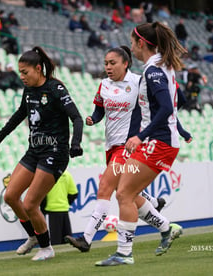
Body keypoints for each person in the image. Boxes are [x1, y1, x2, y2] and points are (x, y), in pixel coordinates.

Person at [64, 46, 190, 255]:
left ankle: (86, 238)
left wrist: (182, 129)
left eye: (112, 63)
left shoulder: (140, 80)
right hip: (111, 146)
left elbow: (173, 101)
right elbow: (99, 110)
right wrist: (93, 119)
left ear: (126, 63)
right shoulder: (103, 84)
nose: (108, 67)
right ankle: (165, 225)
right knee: (127, 196)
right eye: (106, 64)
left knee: (106, 186)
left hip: (129, 145)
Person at [94, 21, 187, 266]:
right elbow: (174, 102)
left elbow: (167, 107)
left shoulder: (152, 70)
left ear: (141, 43)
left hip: (160, 142)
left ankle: (124, 253)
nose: (132, 48)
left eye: (133, 43)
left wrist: (141, 135)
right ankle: (165, 228)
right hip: (156, 141)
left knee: (124, 192)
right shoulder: (158, 66)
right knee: (126, 192)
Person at [0, 46, 84, 261]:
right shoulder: (29, 90)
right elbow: (19, 114)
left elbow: (76, 118)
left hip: (55, 153)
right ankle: (33, 236)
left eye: (25, 72)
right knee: (11, 196)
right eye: (20, 72)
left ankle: (47, 248)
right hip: (34, 151)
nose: (22, 76)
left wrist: (75, 143)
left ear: (38, 69)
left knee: (31, 203)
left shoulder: (55, 89)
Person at [40, 170, 78, 245]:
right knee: (67, 240)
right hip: (64, 210)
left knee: (54, 241)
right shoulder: (67, 174)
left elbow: (41, 193)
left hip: (51, 210)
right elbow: (73, 193)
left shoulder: (46, 174)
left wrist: (43, 208)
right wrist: (66, 203)